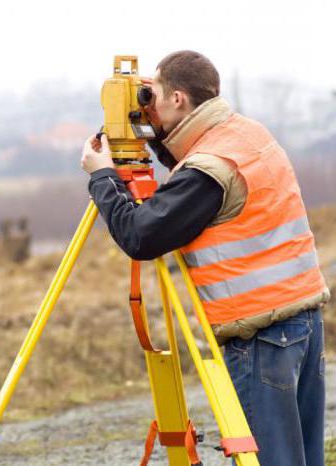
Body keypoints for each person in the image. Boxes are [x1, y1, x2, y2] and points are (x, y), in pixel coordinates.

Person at [80, 50, 329, 466]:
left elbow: (140, 236)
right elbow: (191, 169)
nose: (146, 101)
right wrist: (152, 134)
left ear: (177, 98)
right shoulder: (245, 134)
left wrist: (103, 176)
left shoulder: (209, 169)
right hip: (302, 322)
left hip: (261, 335)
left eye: (151, 93)